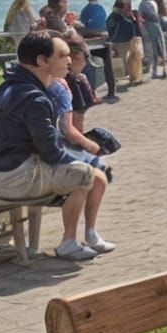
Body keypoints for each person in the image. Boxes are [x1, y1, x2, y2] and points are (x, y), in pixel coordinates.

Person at [0, 31, 97, 260]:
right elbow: (51, 152)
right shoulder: (34, 98)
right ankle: (68, 243)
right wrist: (86, 161)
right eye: (62, 55)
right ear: (42, 61)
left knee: (79, 170)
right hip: (18, 177)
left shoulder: (5, 88)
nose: (69, 61)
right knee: (84, 174)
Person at [46, 40, 114, 252]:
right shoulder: (61, 86)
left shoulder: (61, 83)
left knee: (99, 177)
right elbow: (69, 127)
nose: (68, 61)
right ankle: (71, 239)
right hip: (51, 154)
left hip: (55, 148)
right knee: (89, 175)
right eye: (63, 56)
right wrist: (89, 145)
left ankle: (90, 233)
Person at [106, 0, 141, 87]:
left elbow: (110, 30)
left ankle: (131, 77)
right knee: (128, 62)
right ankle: (132, 77)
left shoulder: (115, 17)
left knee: (126, 62)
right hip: (124, 41)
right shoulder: (123, 17)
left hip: (121, 41)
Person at [138, 0, 167, 79]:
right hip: (157, 26)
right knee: (160, 48)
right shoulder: (154, 3)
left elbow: (139, 18)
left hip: (148, 27)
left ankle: (153, 72)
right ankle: (163, 69)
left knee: (151, 50)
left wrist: (141, 28)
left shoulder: (142, 4)